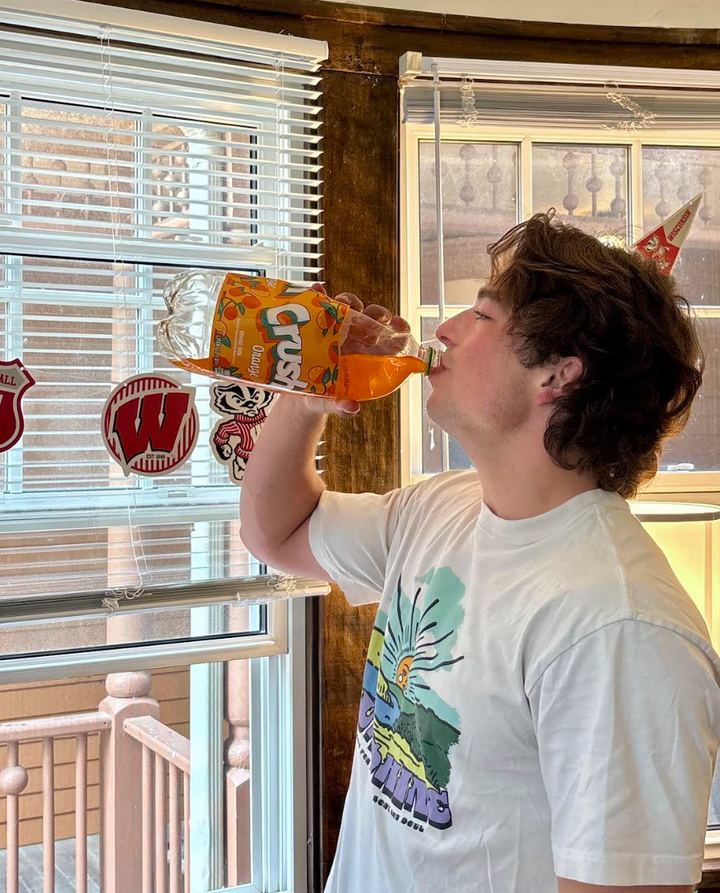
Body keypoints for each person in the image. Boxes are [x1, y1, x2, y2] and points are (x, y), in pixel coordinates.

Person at [240, 211, 720, 893]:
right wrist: (305, 398)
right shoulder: (441, 507)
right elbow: (276, 533)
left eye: (483, 315)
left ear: (558, 374)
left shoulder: (621, 627)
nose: (444, 330)